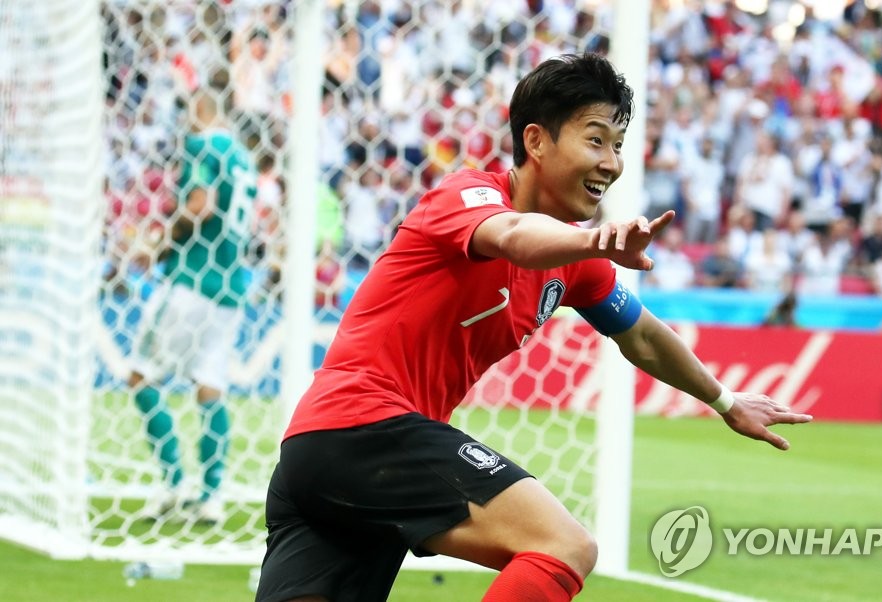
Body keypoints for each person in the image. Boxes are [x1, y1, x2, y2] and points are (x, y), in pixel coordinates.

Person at [256, 54, 812, 602]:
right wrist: (596, 240)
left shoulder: (576, 262)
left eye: (618, 145)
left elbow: (642, 336)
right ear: (536, 141)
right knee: (563, 547)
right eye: (595, 140)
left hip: (324, 454)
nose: (612, 163)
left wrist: (724, 400)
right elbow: (513, 237)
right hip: (364, 425)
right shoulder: (467, 196)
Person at [128, 90, 256, 524]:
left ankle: (173, 484)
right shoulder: (242, 157)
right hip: (230, 288)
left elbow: (201, 206)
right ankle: (211, 496)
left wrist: (159, 245)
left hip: (192, 280)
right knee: (209, 387)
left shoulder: (203, 145)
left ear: (201, 108)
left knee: (141, 376)